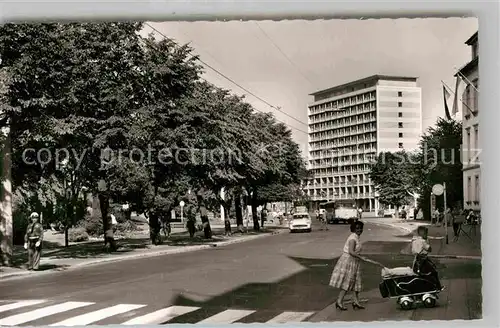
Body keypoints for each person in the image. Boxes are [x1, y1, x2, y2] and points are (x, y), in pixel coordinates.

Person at [329, 221, 385, 311]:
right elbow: (351, 251)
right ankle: (339, 301)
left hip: (355, 260)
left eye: (360, 228)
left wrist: (359, 257)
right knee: (347, 282)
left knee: (356, 282)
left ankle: (355, 301)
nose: (359, 230)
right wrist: (361, 257)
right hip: (348, 260)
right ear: (353, 229)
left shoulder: (357, 237)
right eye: (357, 228)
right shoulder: (352, 238)